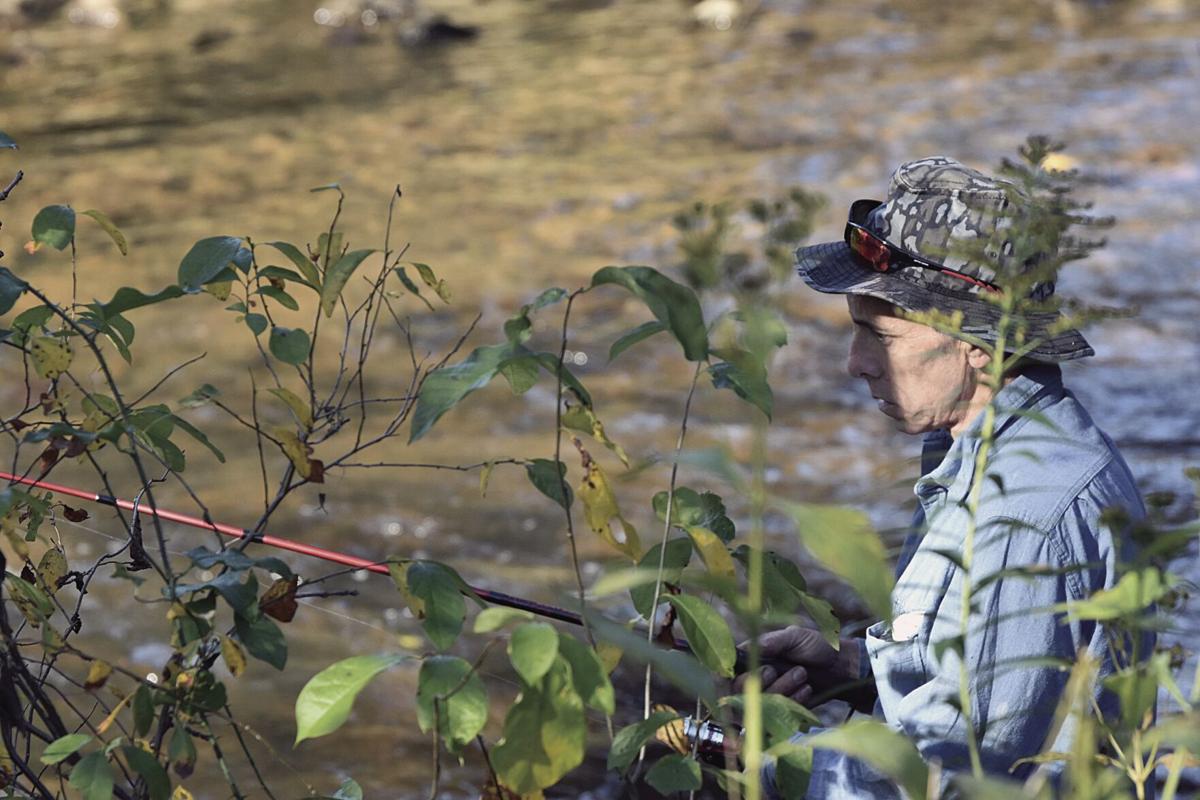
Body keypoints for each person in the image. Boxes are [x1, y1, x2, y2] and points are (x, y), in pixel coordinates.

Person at [739, 157, 1147, 798]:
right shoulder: (980, 451)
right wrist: (854, 669)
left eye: (880, 336)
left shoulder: (1028, 516)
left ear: (977, 346)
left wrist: (753, 765)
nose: (855, 365)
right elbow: (981, 679)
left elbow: (951, 778)